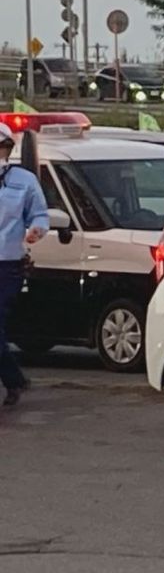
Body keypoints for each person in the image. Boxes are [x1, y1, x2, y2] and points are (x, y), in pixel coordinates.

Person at [0, 123, 48, 406]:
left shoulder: (24, 181)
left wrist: (36, 230)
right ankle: (14, 379)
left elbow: (40, 215)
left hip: (7, 266)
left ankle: (14, 381)